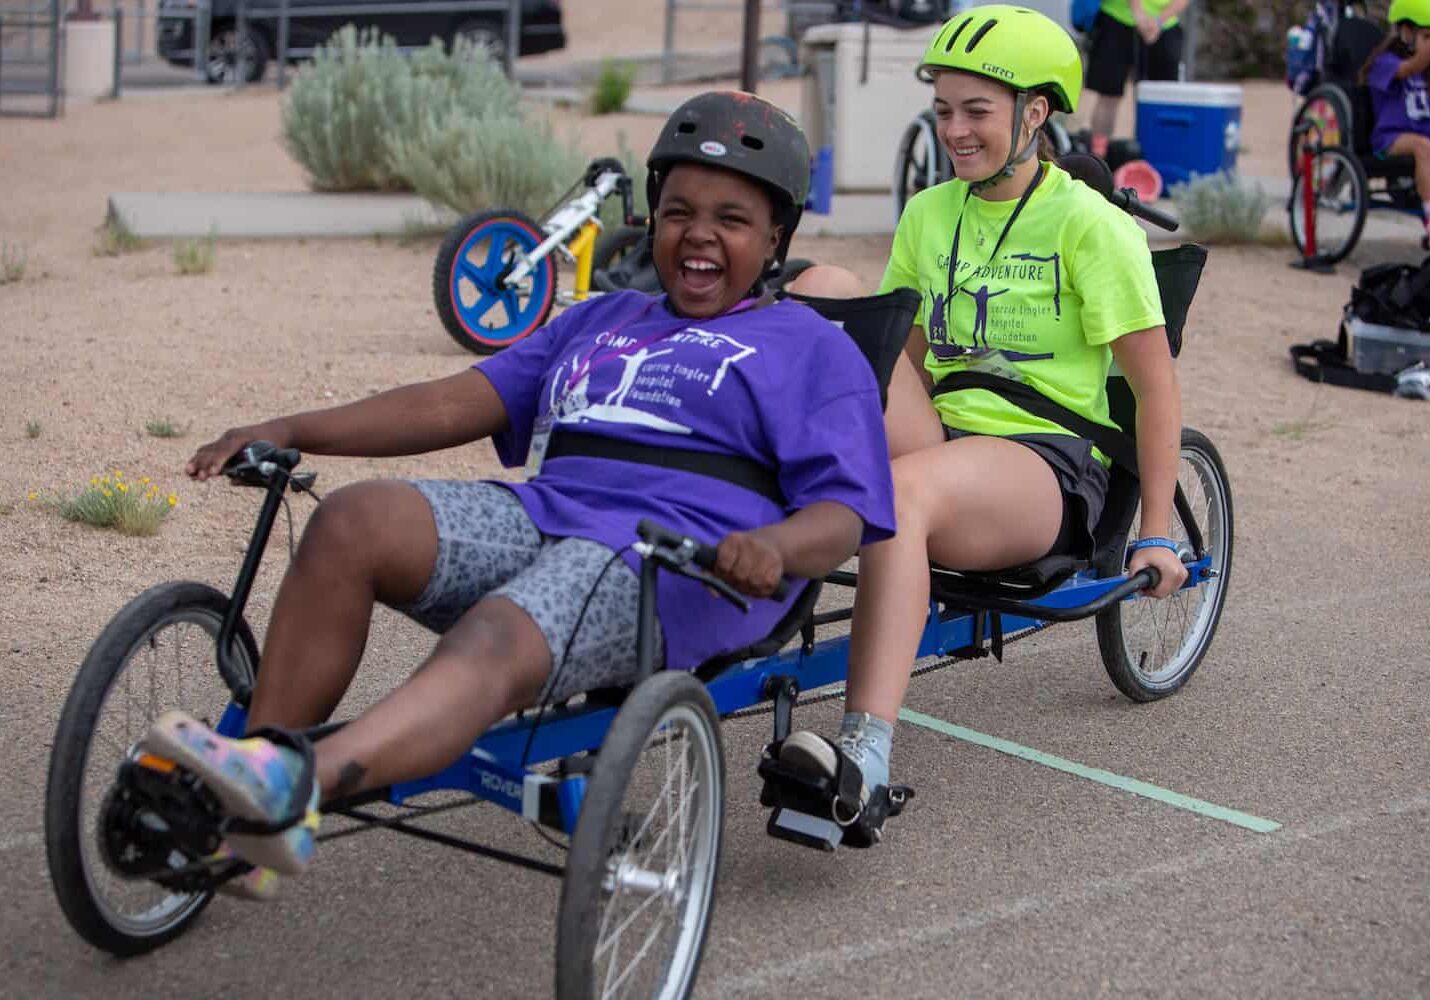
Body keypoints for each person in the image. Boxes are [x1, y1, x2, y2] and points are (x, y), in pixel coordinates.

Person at [136, 90, 897, 897]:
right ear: (652, 220)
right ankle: (251, 795)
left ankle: (295, 787)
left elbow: (845, 514)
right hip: (548, 517)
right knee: (354, 519)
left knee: (505, 626)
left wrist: (774, 548)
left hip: (679, 558)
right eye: (678, 211)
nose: (698, 234)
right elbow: (445, 404)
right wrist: (294, 427)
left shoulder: (814, 348)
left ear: (776, 236)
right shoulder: (600, 319)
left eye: (731, 219)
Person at [778, 6, 1188, 814]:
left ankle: (862, 755)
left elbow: (1156, 387)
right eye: (943, 111)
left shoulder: (1090, 226)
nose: (954, 131)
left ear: (1035, 114)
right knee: (817, 289)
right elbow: (912, 359)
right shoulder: (932, 213)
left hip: (1042, 460)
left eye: (976, 113)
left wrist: (1157, 529)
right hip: (947, 431)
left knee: (902, 496)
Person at [1362, 0, 1430, 249]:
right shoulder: (1385, 62)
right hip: (1391, 139)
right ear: (1405, 32)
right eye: (1426, 36)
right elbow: (1408, 69)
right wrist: (1424, 54)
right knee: (1424, 147)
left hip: (1424, 136)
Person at [1085, 0, 1190, 161]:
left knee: (1162, 101)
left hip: (1165, 25)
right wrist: (1138, 13)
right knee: (1109, 96)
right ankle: (1097, 159)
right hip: (1118, 18)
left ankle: (1158, 158)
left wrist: (1160, 20)